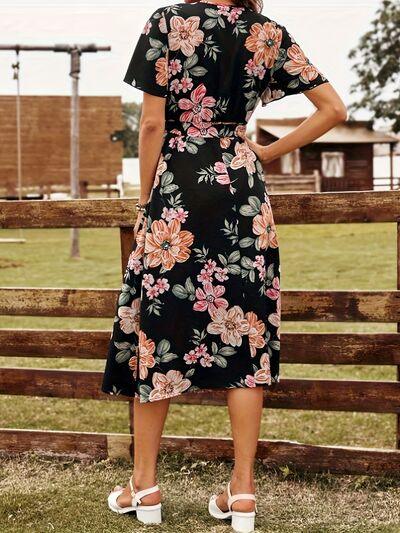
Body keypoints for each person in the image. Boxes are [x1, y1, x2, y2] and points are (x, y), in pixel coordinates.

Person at [102, 0, 347, 531]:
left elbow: (150, 125)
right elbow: (334, 110)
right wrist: (268, 150)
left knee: (156, 332)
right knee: (246, 338)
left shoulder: (169, 21)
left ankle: (144, 485)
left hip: (177, 194)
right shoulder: (267, 32)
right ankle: (243, 493)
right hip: (242, 195)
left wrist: (149, 205)